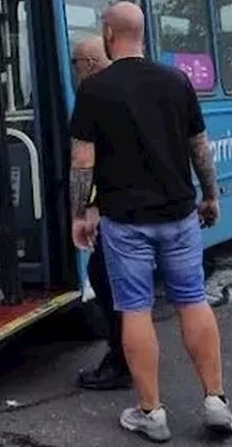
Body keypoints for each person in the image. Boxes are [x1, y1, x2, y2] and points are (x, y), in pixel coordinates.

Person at [68, 2, 232, 441]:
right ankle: (216, 400)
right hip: (179, 216)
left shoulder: (95, 89)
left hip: (126, 223)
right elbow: (200, 148)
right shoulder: (176, 81)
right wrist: (211, 196)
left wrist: (80, 213)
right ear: (142, 34)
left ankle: (151, 412)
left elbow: (82, 161)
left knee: (135, 310)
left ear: (108, 33)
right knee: (192, 300)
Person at [69, 36, 131, 391]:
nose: (74, 72)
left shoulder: (93, 96)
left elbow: (85, 163)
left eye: (75, 63)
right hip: (170, 213)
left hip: (124, 214)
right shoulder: (154, 85)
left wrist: (82, 212)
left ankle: (122, 362)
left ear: (90, 63)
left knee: (109, 280)